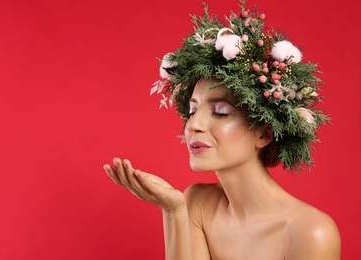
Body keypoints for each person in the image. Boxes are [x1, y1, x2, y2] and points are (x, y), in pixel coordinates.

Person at [103, 1, 341, 259]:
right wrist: (173, 211)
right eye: (193, 110)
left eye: (221, 112)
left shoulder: (311, 233)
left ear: (263, 134)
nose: (193, 125)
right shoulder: (197, 203)